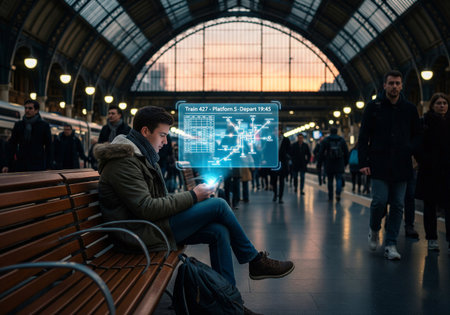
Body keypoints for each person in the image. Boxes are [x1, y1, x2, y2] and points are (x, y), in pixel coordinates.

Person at [94, 106, 294, 313]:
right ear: (145, 132)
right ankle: (254, 261)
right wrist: (193, 196)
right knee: (218, 205)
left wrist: (195, 197)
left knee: (219, 231)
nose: (165, 142)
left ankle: (230, 305)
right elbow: (146, 208)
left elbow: (154, 201)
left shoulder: (139, 156)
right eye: (162, 135)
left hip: (149, 226)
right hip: (137, 234)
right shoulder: (125, 162)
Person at [359, 70, 421, 260]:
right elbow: (363, 137)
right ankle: (374, 228)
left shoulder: (409, 109)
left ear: (402, 86)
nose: (394, 86)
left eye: (398, 83)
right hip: (379, 163)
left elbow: (417, 135)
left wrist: (412, 152)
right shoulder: (373, 107)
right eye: (391, 83)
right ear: (384, 85)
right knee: (379, 201)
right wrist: (363, 162)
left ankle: (391, 244)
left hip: (402, 164)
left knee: (397, 205)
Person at [415, 93, 450, 252]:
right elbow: (417, 146)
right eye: (438, 103)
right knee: (430, 207)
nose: (442, 106)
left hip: (447, 171)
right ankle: (431, 238)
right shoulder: (425, 122)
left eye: (444, 103)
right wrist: (425, 161)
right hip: (430, 171)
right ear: (432, 106)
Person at [2, 99, 51, 173]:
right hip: (21, 163)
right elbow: (12, 145)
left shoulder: (44, 125)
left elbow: (49, 146)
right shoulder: (19, 125)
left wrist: (49, 166)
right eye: (26, 108)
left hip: (37, 164)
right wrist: (6, 164)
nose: (27, 110)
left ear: (36, 110)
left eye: (30, 108)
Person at [317, 127, 349, 202]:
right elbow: (346, 152)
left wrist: (319, 163)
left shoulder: (326, 140)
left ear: (330, 132)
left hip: (329, 163)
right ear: (337, 131)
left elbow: (321, 153)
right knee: (339, 179)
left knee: (330, 181)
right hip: (339, 163)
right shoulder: (342, 140)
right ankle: (338, 193)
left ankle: (330, 197)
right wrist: (345, 163)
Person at [270, 127, 291, 204]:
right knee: (274, 180)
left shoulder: (286, 140)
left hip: (283, 163)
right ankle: (275, 194)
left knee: (282, 181)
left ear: (280, 131)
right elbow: (268, 150)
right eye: (275, 130)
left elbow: (289, 150)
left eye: (277, 130)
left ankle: (280, 197)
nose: (276, 132)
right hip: (274, 163)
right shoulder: (271, 140)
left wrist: (287, 156)